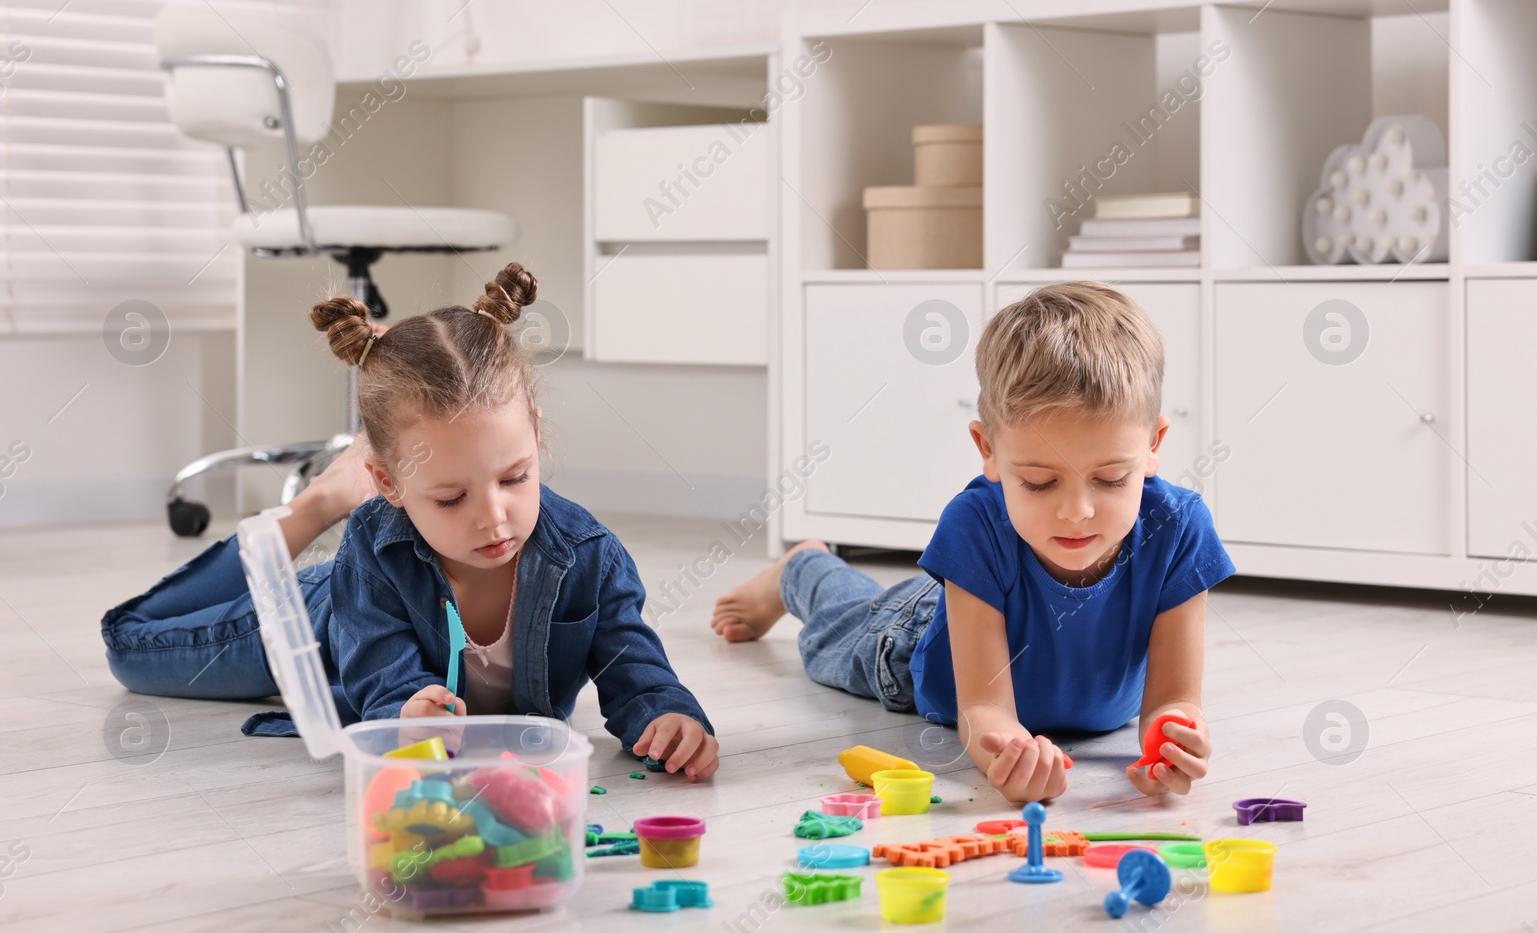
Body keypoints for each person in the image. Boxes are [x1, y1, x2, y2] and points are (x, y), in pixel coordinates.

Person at [103, 263, 719, 779]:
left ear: (534, 432)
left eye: (514, 478)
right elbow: (379, 671)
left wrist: (668, 715)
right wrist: (407, 711)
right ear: (390, 486)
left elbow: (631, 663)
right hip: (324, 621)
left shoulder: (587, 553)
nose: (493, 516)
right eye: (451, 498)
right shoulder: (373, 547)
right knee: (130, 647)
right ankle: (320, 502)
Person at [711, 281, 1233, 802]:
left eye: (1112, 479)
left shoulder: (1180, 527)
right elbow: (985, 710)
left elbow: (1172, 698)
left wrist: (1174, 739)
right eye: (1039, 482)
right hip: (914, 644)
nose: (1078, 512)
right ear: (988, 450)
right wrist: (1005, 752)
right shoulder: (975, 524)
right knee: (836, 629)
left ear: (1153, 447)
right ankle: (802, 567)